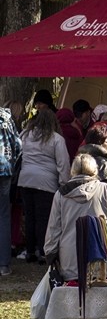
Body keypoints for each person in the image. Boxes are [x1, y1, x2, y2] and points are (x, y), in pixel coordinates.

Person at [43, 154, 107, 282]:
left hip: (71, 254)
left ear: (73, 170)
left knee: (74, 296)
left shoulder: (60, 194)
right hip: (100, 251)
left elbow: (54, 227)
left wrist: (50, 252)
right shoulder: (105, 189)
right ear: (94, 170)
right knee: (102, 296)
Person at [18, 109, 70, 263]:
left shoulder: (25, 135)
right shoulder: (56, 139)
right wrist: (64, 184)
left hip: (26, 179)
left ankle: (29, 251)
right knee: (44, 219)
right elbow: (63, 164)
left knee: (29, 217)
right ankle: (42, 251)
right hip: (46, 182)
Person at [0, 106, 22, 276]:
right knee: (4, 216)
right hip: (5, 170)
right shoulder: (6, 116)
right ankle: (4, 264)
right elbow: (18, 145)